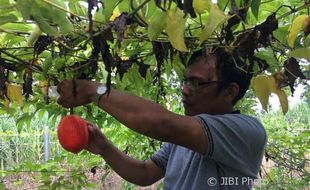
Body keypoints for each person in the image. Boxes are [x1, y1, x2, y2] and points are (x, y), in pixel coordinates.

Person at [57, 48, 267, 189]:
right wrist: (105, 148)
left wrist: (94, 90)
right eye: (185, 81)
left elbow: (159, 123)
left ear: (230, 92)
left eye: (196, 83)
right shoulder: (185, 136)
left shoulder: (246, 131)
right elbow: (145, 173)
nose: (184, 90)